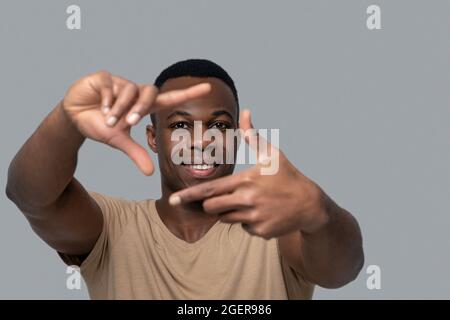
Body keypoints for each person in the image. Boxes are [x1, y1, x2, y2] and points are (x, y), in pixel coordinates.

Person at [6, 59, 364, 299]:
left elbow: (341, 271)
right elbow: (31, 196)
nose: (201, 139)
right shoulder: (113, 227)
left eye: (219, 126)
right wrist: (66, 122)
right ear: (152, 138)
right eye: (180, 125)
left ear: (236, 138)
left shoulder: (276, 226)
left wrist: (321, 212)